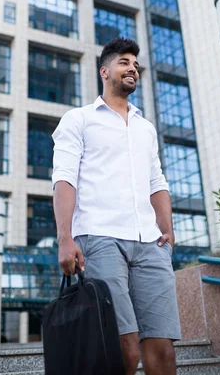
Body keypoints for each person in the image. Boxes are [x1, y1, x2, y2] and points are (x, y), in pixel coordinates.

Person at [52, 37, 181, 375]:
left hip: (150, 244)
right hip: (100, 238)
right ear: (104, 70)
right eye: (124, 62)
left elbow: (157, 182)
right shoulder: (78, 119)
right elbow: (64, 179)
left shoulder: (145, 128)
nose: (132, 69)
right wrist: (65, 238)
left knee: (163, 348)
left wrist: (167, 230)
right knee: (123, 346)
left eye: (135, 65)